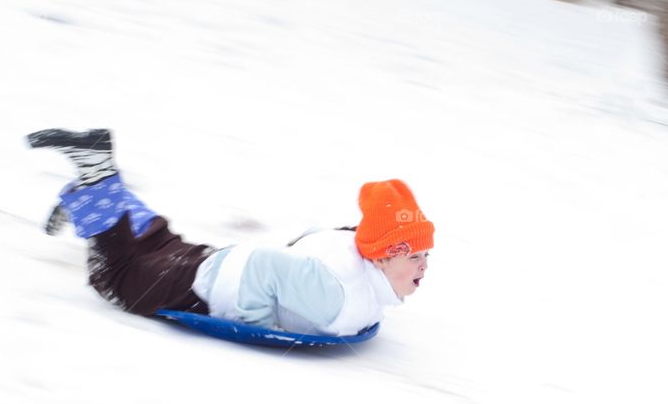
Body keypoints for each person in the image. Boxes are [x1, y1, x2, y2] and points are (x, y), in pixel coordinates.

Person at [26, 128, 434, 337]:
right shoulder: (341, 301)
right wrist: (254, 325)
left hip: (212, 265)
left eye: (425, 254)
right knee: (116, 278)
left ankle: (92, 194)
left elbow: (313, 240)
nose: (424, 264)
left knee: (156, 244)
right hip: (206, 288)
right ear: (382, 255)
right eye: (414, 255)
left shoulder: (352, 246)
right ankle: (94, 180)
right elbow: (265, 266)